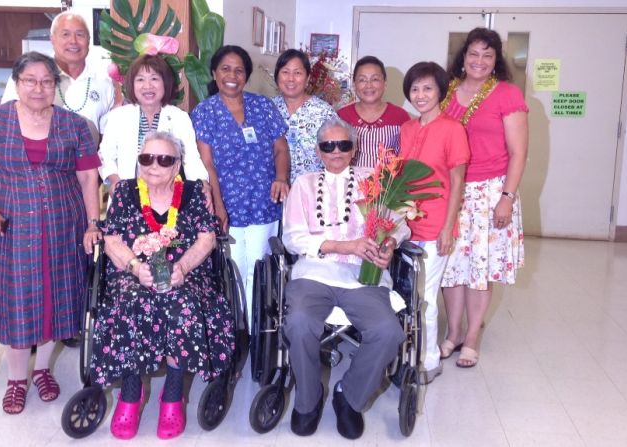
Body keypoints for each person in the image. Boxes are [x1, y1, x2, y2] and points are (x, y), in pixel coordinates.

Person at [0, 51, 102, 415]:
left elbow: (88, 177)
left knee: (57, 298)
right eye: (30, 80)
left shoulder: (75, 125)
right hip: (10, 227)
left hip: (62, 226)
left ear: (57, 85)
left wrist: (92, 223)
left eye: (47, 81)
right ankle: (16, 379)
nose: (39, 88)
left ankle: (42, 371)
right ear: (17, 82)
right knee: (17, 302)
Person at [90, 132, 233, 440]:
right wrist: (134, 267)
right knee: (131, 303)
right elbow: (112, 238)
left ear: (177, 164)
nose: (154, 165)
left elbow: (207, 238)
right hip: (132, 273)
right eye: (146, 158)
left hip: (188, 273)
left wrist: (182, 267)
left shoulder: (194, 193)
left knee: (182, 304)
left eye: (164, 159)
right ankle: (130, 394)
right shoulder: (125, 191)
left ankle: (172, 395)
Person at [282, 118, 409, 440]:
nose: (336, 151)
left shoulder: (374, 181)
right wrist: (341, 245)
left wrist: (391, 243)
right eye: (328, 145)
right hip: (314, 273)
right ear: (318, 151)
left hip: (362, 276)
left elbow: (400, 224)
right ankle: (308, 401)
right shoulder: (304, 184)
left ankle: (349, 397)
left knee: (387, 331)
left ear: (354, 150)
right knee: (298, 323)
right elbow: (293, 238)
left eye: (343, 145)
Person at [439, 27, 528, 368]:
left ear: (496, 61)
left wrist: (507, 196)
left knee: (479, 268)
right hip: (451, 191)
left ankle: (472, 335)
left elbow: (518, 153)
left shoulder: (507, 94)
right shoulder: (445, 92)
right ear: (463, 57)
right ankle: (453, 332)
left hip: (491, 192)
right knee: (451, 267)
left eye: (487, 55)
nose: (479, 61)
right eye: (473, 54)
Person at [191, 45, 290, 315]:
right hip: (228, 204)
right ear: (214, 73)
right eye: (225, 68)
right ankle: (237, 330)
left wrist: (281, 177)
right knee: (234, 270)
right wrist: (219, 206)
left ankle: (257, 332)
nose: (232, 75)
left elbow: (281, 148)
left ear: (246, 75)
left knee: (259, 270)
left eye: (239, 70)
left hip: (264, 202)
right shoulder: (204, 112)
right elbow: (206, 164)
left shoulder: (263, 106)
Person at [398, 62, 469, 382]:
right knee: (406, 293)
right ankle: (406, 352)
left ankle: (428, 361)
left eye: (428, 88)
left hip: (435, 226)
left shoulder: (453, 129)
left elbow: (457, 183)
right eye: (415, 89)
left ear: (441, 91)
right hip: (404, 226)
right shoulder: (408, 128)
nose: (420, 94)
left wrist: (447, 229)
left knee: (424, 296)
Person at [98, 54, 208, 196]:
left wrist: (203, 184)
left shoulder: (179, 117)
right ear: (132, 84)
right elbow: (105, 156)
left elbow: (191, 159)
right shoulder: (118, 116)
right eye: (140, 79)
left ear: (165, 83)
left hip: (167, 198)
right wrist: (117, 183)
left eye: (154, 79)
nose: (147, 86)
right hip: (126, 196)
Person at [1, 11, 116, 142]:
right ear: (52, 39)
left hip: (88, 159)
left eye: (80, 35)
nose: (73, 41)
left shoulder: (104, 80)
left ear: (88, 40)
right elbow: (7, 121)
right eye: (65, 34)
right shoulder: (27, 77)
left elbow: (107, 135)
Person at [271, 48, 337, 182]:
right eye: (285, 72)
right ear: (277, 77)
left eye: (297, 73)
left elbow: (337, 155)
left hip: (313, 191)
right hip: (273, 192)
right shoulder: (267, 109)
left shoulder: (324, 112)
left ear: (307, 78)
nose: (291, 79)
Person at [337, 56, 409, 168]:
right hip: (350, 182)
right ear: (354, 85)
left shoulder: (400, 116)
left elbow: (405, 156)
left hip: (388, 184)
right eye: (362, 80)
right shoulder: (342, 116)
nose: (369, 85)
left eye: (375, 79)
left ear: (385, 84)